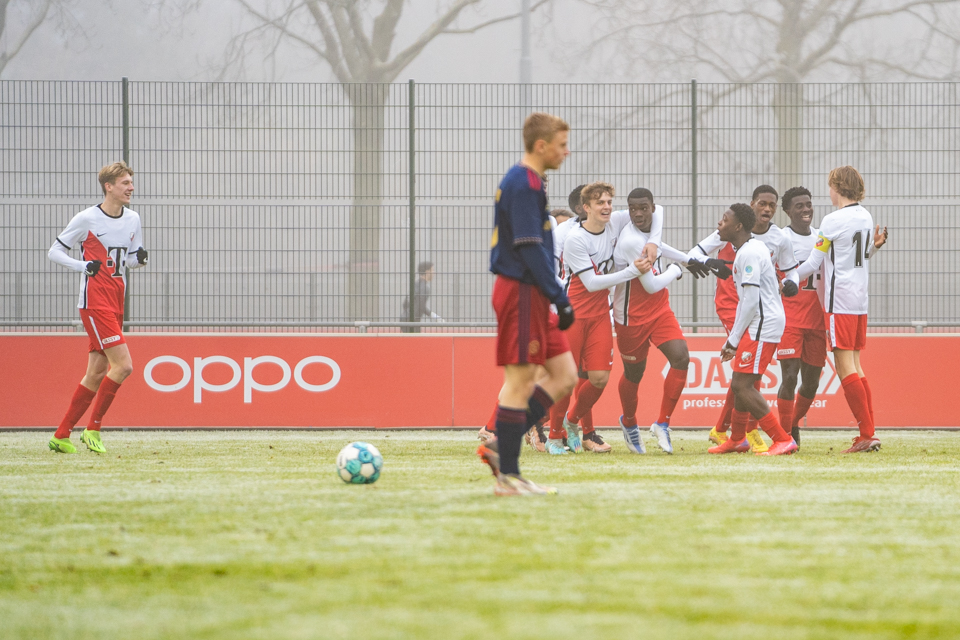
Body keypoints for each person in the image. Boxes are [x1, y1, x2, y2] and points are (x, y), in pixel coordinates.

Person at [477, 112, 578, 496]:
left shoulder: (532, 181)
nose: (566, 152)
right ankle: (509, 477)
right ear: (541, 146)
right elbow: (527, 245)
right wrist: (558, 294)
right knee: (520, 383)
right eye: (561, 145)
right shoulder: (523, 182)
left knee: (564, 374)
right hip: (521, 292)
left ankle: (500, 446)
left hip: (533, 294)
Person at [688, 185, 800, 452]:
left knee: (743, 384)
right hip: (759, 321)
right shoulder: (748, 248)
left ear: (738, 226)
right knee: (742, 381)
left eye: (724, 220)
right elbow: (694, 255)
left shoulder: (749, 253)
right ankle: (736, 438)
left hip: (761, 324)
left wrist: (734, 340)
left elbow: (750, 301)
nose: (719, 224)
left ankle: (782, 439)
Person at [46, 161, 149, 454]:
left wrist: (140, 260)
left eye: (131, 182)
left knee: (97, 370)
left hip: (117, 301)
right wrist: (83, 265)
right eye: (126, 183)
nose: (131, 187)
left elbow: (128, 261)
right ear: (109, 186)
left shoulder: (133, 219)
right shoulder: (87, 218)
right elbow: (54, 251)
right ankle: (93, 430)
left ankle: (61, 434)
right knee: (124, 366)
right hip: (94, 302)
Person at [795, 167, 888, 453]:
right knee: (857, 366)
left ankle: (867, 433)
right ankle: (869, 431)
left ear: (838, 187)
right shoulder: (865, 215)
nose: (829, 192)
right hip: (860, 300)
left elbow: (813, 263)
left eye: (830, 186)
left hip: (840, 303)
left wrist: (785, 279)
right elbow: (858, 253)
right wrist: (874, 249)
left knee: (845, 366)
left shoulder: (832, 220)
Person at [555, 182, 651, 454]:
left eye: (609, 202)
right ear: (585, 208)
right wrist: (631, 271)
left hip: (599, 314)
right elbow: (591, 282)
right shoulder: (574, 236)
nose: (608, 207)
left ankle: (571, 422)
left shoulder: (615, 221)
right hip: (572, 313)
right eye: (601, 203)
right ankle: (551, 434)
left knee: (598, 378)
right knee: (565, 378)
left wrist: (654, 242)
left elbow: (659, 212)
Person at [612, 188, 689, 454]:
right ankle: (629, 422)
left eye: (643, 208)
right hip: (630, 317)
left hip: (660, 311)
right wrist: (676, 270)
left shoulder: (654, 221)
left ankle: (662, 424)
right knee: (635, 374)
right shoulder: (630, 240)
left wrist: (689, 258)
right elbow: (653, 285)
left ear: (652, 207)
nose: (638, 213)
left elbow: (662, 216)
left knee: (681, 357)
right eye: (632, 208)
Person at [401, 261, 441, 332]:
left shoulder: (415, 284)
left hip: (404, 319)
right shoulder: (425, 287)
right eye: (432, 270)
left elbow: (405, 303)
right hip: (413, 321)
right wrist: (432, 315)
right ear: (427, 272)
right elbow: (420, 306)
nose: (434, 273)